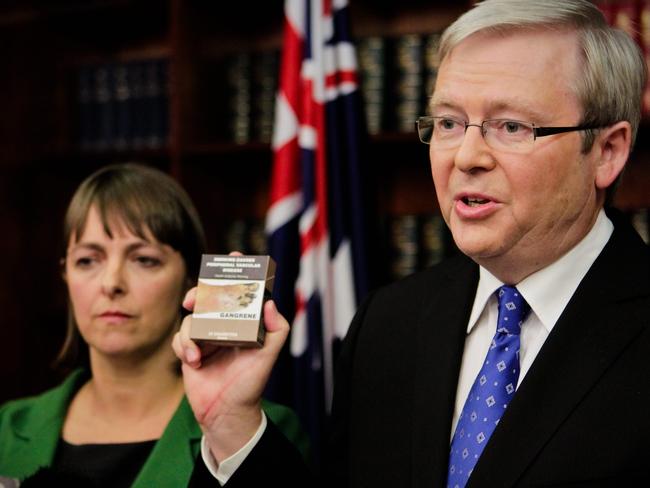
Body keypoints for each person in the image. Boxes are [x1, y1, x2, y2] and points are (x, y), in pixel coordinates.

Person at [174, 0, 650, 486]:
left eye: (511, 126)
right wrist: (232, 424)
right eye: (448, 123)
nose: (466, 157)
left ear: (607, 152)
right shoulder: (387, 324)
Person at [0, 163, 309, 486]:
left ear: (189, 278)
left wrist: (230, 425)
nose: (111, 283)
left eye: (144, 259)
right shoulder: (7, 427)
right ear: (66, 276)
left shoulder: (257, 430)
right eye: (87, 260)